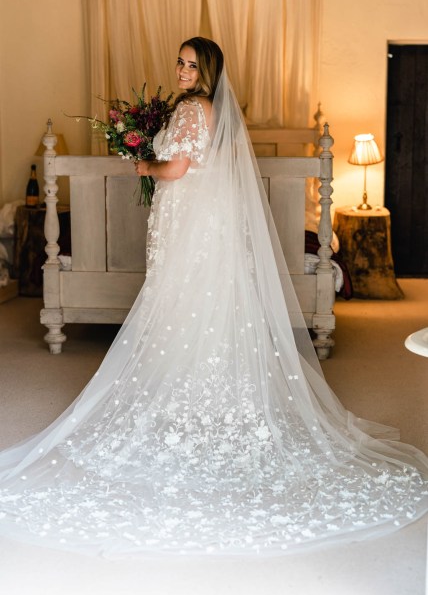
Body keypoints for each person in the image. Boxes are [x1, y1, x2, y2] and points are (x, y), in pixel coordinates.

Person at [0, 37, 426, 557]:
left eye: (190, 65)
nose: (181, 71)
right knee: (200, 310)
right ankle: (209, 394)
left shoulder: (190, 110)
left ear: (207, 71)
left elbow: (176, 170)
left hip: (189, 223)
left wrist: (144, 168)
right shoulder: (213, 110)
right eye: (178, 63)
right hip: (205, 223)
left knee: (180, 306)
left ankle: (189, 400)